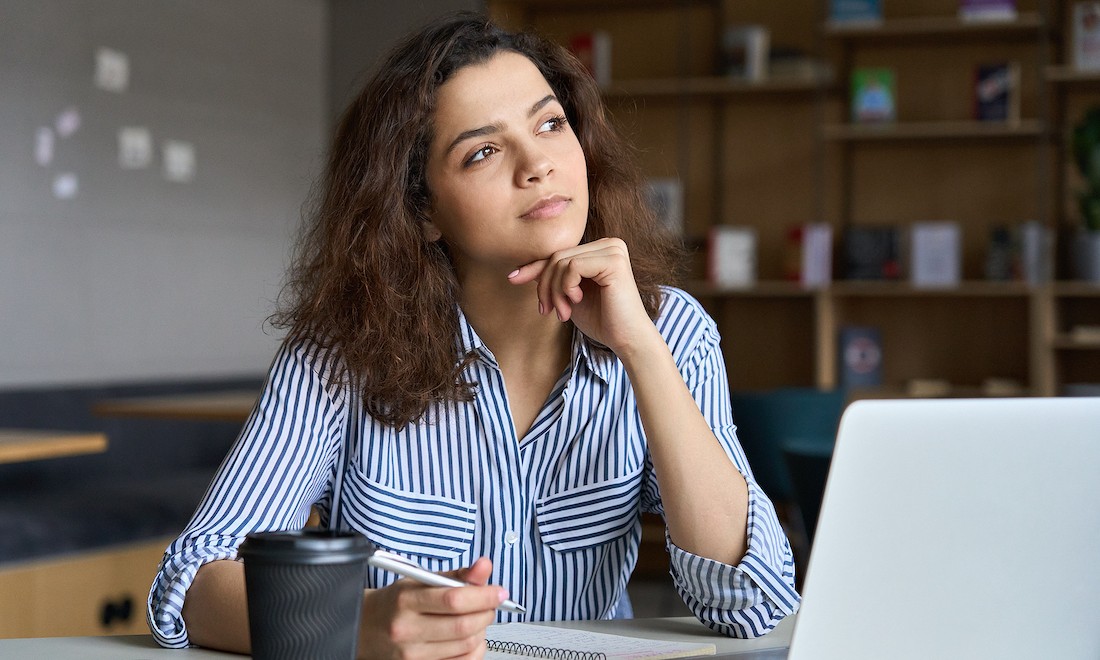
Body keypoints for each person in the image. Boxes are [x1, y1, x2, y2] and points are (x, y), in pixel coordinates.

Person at [147, 11, 799, 658]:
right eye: (484, 150)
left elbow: (754, 604)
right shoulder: (340, 356)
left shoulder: (670, 332)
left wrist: (640, 349)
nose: (537, 164)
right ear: (423, 210)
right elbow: (194, 583)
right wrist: (355, 629)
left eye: (550, 124)